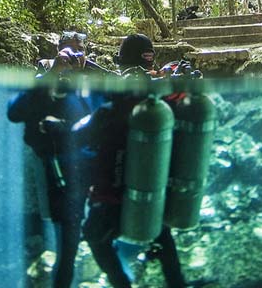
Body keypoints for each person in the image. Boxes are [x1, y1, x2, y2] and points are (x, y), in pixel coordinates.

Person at [72, 34, 210, 288]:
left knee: (94, 236)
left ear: (121, 65)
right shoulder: (164, 103)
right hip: (155, 193)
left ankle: (122, 284)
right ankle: (176, 283)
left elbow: (79, 136)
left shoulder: (113, 107)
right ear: (151, 63)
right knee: (161, 233)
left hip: (111, 198)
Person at [7, 32, 105, 288]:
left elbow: (103, 118)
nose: (72, 58)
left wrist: (85, 75)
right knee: (63, 242)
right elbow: (14, 112)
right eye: (67, 53)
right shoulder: (44, 75)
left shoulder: (91, 77)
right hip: (52, 170)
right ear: (57, 52)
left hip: (86, 170)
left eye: (78, 52)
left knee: (82, 240)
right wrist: (53, 73)